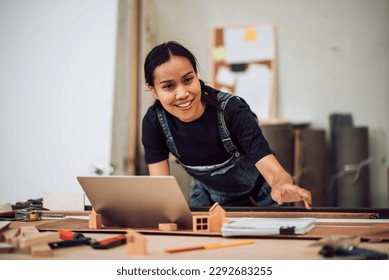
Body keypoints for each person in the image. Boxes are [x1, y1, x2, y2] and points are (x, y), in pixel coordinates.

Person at [142, 41, 312, 209]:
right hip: (207, 198)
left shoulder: (232, 111)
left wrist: (281, 186)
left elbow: (275, 172)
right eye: (169, 86)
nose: (182, 94)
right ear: (153, 90)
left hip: (261, 195)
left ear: (196, 75)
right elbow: (161, 188)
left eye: (188, 80)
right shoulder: (154, 123)